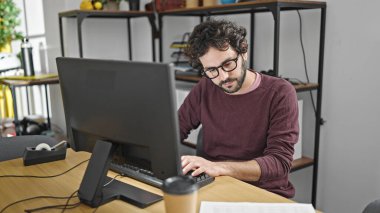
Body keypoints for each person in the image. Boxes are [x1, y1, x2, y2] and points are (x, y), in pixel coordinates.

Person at [178, 19, 299, 198]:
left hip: (263, 193)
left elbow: (279, 163)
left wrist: (219, 167)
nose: (223, 76)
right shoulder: (205, 87)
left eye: (228, 64)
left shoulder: (280, 92)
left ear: (244, 51)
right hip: (215, 188)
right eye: (211, 70)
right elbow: (174, 130)